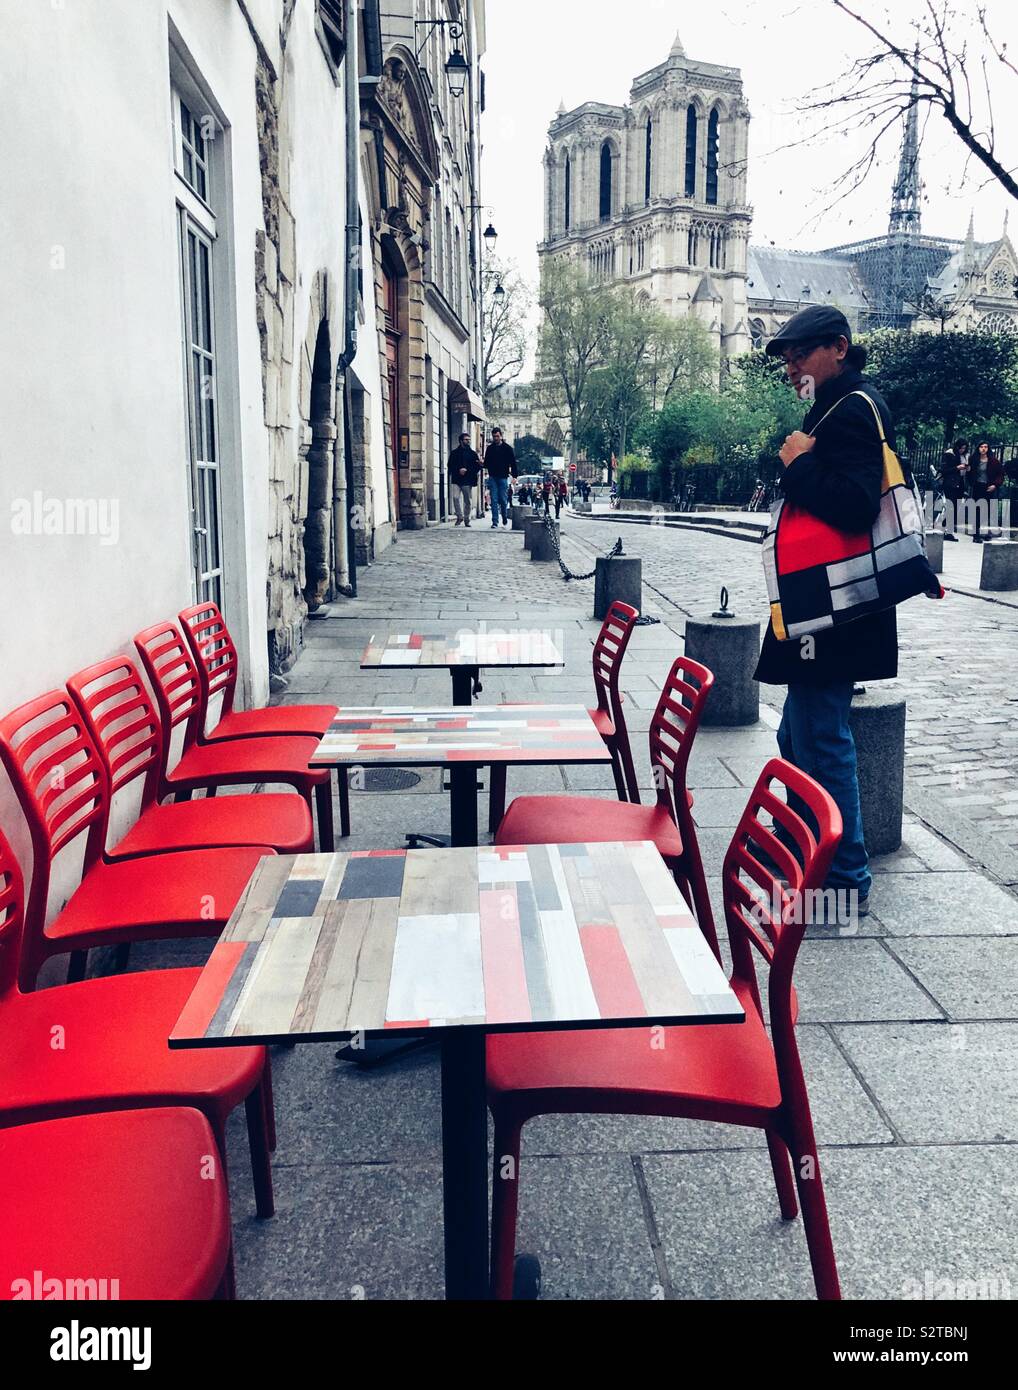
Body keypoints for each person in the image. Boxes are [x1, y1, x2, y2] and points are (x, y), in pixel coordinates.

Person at [756, 304, 902, 922]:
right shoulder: (835, 406)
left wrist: (798, 464)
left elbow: (852, 506)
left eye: (801, 354)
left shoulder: (856, 409)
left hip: (835, 606)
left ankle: (843, 879)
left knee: (822, 736)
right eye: (786, 358)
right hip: (820, 601)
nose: (792, 367)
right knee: (798, 733)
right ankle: (806, 854)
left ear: (838, 348)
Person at [483, 428, 518, 529]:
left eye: (497, 436)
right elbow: (487, 463)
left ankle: (504, 516)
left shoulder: (507, 448)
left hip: (503, 477)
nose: (496, 438)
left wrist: (515, 476)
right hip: (493, 476)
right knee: (493, 499)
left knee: (503, 499)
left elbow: (513, 463)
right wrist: (483, 464)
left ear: (501, 436)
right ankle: (495, 521)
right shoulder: (490, 448)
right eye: (494, 437)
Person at [971, 440, 1005, 542]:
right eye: (981, 447)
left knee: (986, 510)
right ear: (978, 448)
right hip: (977, 486)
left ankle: (984, 532)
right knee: (977, 509)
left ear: (988, 449)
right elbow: (969, 473)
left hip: (989, 487)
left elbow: (1001, 474)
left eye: (985, 447)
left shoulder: (993, 461)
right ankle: (976, 534)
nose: (983, 449)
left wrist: (995, 484)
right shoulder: (973, 459)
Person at [447, 432, 481, 528]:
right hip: (456, 479)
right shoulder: (454, 453)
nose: (468, 441)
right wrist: (458, 470)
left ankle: (466, 519)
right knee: (455, 498)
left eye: (469, 439)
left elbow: (477, 467)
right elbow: (450, 465)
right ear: (461, 441)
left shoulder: (473, 454)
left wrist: (467, 470)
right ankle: (459, 516)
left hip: (467, 480)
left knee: (467, 501)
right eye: (466, 439)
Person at [939, 438, 967, 541]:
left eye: (964, 448)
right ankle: (948, 530)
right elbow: (944, 470)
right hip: (950, 484)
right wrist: (957, 468)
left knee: (955, 507)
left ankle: (946, 526)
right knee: (951, 506)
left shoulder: (963, 456)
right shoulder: (949, 454)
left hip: (959, 483)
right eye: (961, 448)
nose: (962, 450)